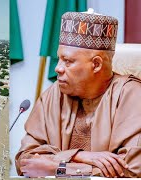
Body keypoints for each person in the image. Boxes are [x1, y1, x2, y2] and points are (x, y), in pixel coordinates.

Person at [15, 11, 141, 178]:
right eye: (59, 59)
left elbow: (132, 169)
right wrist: (77, 155)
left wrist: (58, 168)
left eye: (68, 61)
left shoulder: (132, 96)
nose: (58, 68)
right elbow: (25, 161)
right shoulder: (54, 94)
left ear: (96, 64)